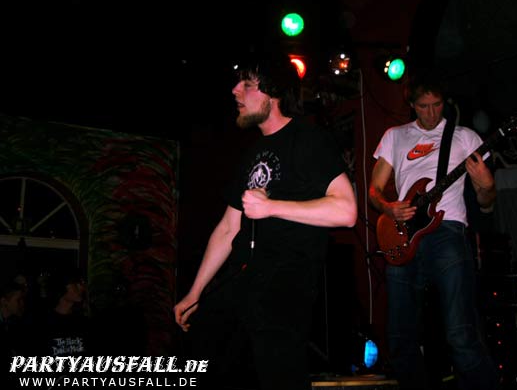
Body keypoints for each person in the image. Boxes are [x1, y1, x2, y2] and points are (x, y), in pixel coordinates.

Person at [173, 51, 357, 390]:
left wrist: (272, 207)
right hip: (242, 281)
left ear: (272, 92)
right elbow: (228, 228)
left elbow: (346, 211)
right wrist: (195, 292)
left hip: (284, 286)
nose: (235, 91)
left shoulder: (309, 139)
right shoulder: (252, 153)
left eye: (247, 84)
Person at [368, 72, 499, 390]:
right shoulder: (395, 136)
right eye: (423, 106)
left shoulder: (465, 137)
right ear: (412, 105)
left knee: (460, 331)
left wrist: (487, 186)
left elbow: (487, 203)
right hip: (403, 232)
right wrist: (389, 208)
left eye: (437, 105)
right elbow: (374, 190)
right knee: (400, 336)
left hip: (447, 231)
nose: (431, 113)